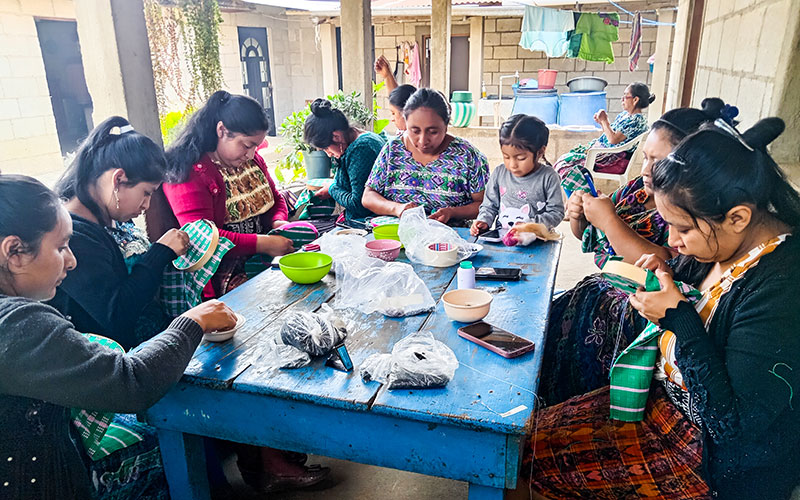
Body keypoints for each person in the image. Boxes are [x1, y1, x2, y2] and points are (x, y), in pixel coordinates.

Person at [521, 117, 800, 500]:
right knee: (519, 442)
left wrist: (678, 320)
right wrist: (665, 272)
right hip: (662, 405)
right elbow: (690, 284)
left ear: (738, 217)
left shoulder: (782, 289)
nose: (671, 241)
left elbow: (731, 425)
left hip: (714, 461)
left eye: (682, 229)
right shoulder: (721, 245)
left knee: (527, 465)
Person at [0, 174, 236, 500]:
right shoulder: (18, 325)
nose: (71, 261)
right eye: (61, 247)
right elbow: (131, 382)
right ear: (14, 252)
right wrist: (191, 321)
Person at [539, 100, 728, 405]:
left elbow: (669, 264)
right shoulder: (635, 193)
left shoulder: (689, 216)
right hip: (598, 291)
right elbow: (588, 236)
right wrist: (580, 216)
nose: (647, 170)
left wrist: (610, 221)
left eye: (659, 161)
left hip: (634, 313)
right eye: (645, 158)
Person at [49, 116, 189, 349]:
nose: (146, 205)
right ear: (118, 179)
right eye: (146, 193)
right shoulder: (74, 237)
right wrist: (160, 253)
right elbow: (117, 315)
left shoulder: (111, 217)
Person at [164, 90, 294, 297]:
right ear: (222, 130)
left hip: (261, 253)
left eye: (255, 147)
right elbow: (203, 240)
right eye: (246, 145)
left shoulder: (251, 162)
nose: (251, 154)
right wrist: (262, 243)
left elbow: (276, 198)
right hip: (220, 273)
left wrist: (278, 221)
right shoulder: (190, 173)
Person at [362, 88, 489, 224]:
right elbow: (368, 196)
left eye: (433, 132)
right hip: (397, 236)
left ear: (446, 126)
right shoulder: (392, 150)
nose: (423, 140)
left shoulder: (467, 155)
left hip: (450, 239)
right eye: (415, 131)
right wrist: (397, 208)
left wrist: (452, 212)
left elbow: (485, 204)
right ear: (406, 123)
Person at [470, 114, 565, 236]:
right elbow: (489, 205)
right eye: (506, 157)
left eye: (521, 158)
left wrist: (530, 225)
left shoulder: (548, 177)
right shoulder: (500, 173)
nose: (512, 164)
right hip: (503, 240)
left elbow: (556, 212)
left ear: (540, 152)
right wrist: (483, 221)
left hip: (538, 242)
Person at [556, 82, 653, 194]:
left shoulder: (636, 120)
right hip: (603, 152)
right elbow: (610, 134)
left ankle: (585, 196)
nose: (622, 99)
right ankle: (580, 197)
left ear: (635, 100)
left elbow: (613, 139)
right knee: (564, 161)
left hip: (610, 158)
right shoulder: (624, 116)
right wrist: (602, 122)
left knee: (566, 166)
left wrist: (604, 120)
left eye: (625, 96)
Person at [303, 98, 387, 221]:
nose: (329, 154)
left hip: (367, 223)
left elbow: (359, 205)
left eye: (326, 148)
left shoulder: (361, 150)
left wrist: (332, 189)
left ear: (336, 136)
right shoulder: (361, 139)